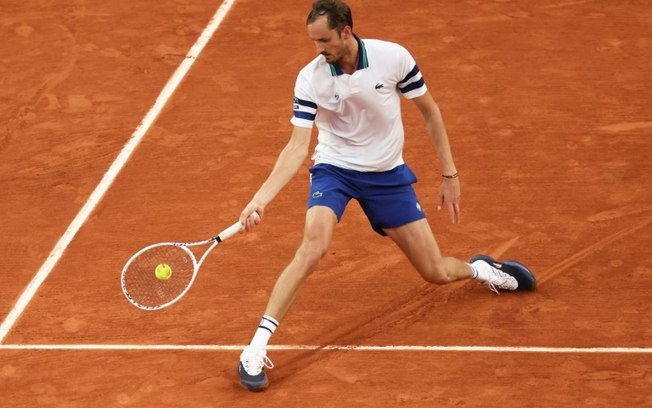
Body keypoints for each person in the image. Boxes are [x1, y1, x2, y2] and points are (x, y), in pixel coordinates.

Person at [235, 0, 536, 392]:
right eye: (312, 41)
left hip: (386, 175)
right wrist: (260, 198)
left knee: (436, 272)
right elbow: (296, 149)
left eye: (324, 40)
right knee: (313, 247)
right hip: (335, 169)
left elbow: (430, 112)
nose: (317, 48)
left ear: (346, 31)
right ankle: (254, 348)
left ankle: (482, 270)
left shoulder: (392, 57)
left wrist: (450, 174)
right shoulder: (310, 78)